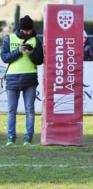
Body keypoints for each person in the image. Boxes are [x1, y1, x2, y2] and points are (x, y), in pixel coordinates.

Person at [1, 15, 44, 146]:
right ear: (21, 29)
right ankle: (10, 138)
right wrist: (18, 51)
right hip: (12, 78)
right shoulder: (10, 38)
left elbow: (40, 60)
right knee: (11, 110)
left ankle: (27, 138)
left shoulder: (36, 40)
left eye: (30, 30)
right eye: (26, 30)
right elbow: (4, 57)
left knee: (29, 110)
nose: (28, 33)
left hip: (30, 78)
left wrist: (31, 53)